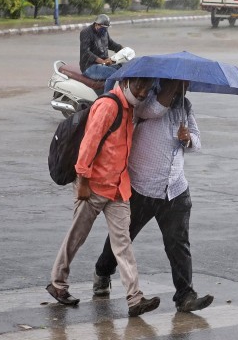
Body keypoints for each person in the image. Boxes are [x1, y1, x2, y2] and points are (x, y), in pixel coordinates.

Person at [93, 79, 214, 313]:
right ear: (167, 83)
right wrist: (167, 95)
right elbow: (151, 111)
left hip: (175, 189)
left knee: (178, 244)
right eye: (180, 84)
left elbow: (197, 142)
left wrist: (187, 137)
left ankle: (185, 296)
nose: (184, 89)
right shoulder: (144, 102)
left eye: (186, 85)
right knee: (123, 237)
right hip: (142, 187)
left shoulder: (185, 106)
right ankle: (102, 272)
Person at [46, 76, 161, 318]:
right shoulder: (108, 105)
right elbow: (89, 144)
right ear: (127, 82)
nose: (142, 92)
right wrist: (84, 182)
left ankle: (134, 298)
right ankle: (57, 283)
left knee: (123, 243)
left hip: (118, 188)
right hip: (94, 185)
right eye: (139, 86)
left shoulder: (131, 109)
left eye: (146, 88)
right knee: (77, 236)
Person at [79, 14, 123, 93]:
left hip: (103, 64)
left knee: (121, 68)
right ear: (97, 24)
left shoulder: (104, 32)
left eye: (106, 28)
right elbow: (86, 52)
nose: (104, 30)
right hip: (89, 66)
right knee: (112, 74)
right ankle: (106, 96)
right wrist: (101, 61)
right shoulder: (86, 32)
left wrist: (122, 49)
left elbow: (111, 44)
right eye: (103, 28)